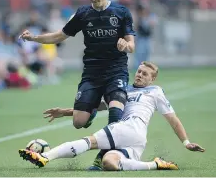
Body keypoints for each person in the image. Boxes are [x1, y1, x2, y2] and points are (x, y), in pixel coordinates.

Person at [18, 61, 205, 171]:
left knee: (88, 142)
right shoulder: (123, 91)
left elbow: (173, 119)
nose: (140, 75)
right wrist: (65, 112)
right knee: (109, 164)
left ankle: (46, 157)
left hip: (131, 127)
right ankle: (154, 164)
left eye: (145, 74)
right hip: (134, 138)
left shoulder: (155, 92)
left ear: (152, 79)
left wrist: (186, 142)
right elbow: (97, 106)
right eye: (139, 71)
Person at [19, 0, 135, 130]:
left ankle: (112, 150)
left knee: (115, 115)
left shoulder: (121, 12)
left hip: (116, 71)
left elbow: (131, 45)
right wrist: (34, 38)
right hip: (92, 73)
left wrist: (125, 45)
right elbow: (59, 36)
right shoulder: (83, 14)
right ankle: (93, 109)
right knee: (78, 122)